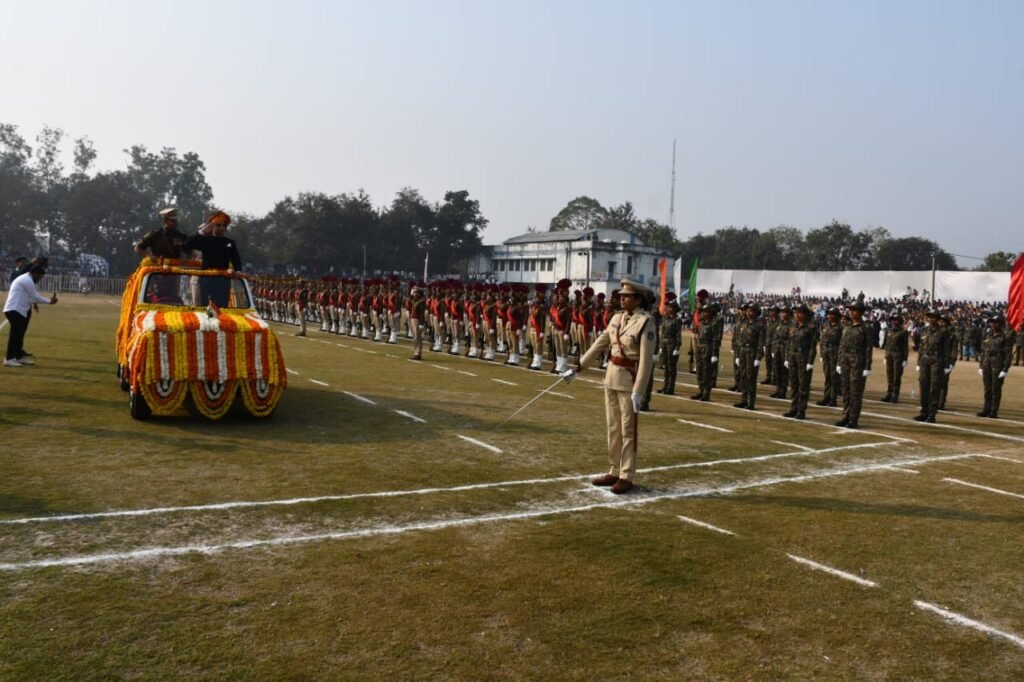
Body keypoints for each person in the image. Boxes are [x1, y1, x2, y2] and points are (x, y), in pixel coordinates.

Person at [562, 279, 656, 495]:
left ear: (638, 299)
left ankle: (626, 474)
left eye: (626, 296)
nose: (621, 298)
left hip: (629, 381)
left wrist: (638, 391)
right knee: (613, 427)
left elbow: (646, 360)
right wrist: (578, 367)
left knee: (628, 431)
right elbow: (600, 344)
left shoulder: (646, 322)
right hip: (611, 377)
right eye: (621, 295)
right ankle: (614, 469)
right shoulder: (616, 318)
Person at [182, 211, 242, 308]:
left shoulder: (229, 242)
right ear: (212, 225)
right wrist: (202, 231)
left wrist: (238, 271)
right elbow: (187, 244)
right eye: (219, 225)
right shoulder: (206, 240)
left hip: (223, 280)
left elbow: (236, 259)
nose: (222, 228)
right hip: (206, 279)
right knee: (203, 308)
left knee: (221, 309)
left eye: (225, 225)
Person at [4, 264, 58, 367]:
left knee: (19, 335)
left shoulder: (26, 279)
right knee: (15, 335)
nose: (40, 279)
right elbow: (35, 296)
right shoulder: (27, 280)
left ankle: (18, 357)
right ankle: (9, 359)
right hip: (15, 309)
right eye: (40, 277)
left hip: (18, 309)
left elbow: (30, 297)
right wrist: (49, 301)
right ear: (35, 273)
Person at [836, 301, 872, 429]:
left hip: (858, 360)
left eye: (854, 310)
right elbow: (841, 345)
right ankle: (845, 415)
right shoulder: (847, 326)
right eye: (850, 310)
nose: (851, 312)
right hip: (845, 360)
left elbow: (868, 348)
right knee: (845, 389)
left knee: (855, 391)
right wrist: (839, 362)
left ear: (861, 312)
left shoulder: (866, 327)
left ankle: (853, 419)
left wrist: (867, 366)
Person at [784, 303, 818, 419]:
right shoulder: (793, 326)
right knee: (793, 383)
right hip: (793, 356)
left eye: (800, 312)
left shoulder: (811, 327)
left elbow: (813, 346)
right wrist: (787, 358)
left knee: (803, 385)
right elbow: (789, 343)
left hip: (804, 357)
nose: (797, 315)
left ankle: (801, 410)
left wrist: (810, 361)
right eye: (796, 312)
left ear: (805, 314)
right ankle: (793, 408)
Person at [914, 310, 948, 423]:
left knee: (934, 387)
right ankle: (923, 412)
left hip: (936, 361)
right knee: (923, 386)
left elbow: (946, 350)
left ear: (937, 319)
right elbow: (921, 348)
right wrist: (918, 362)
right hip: (924, 360)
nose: (931, 319)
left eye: (933, 317)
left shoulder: (943, 332)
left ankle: (931, 414)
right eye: (929, 317)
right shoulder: (924, 331)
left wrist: (947, 365)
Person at [977, 314, 1013, 418]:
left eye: (996, 322)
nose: (993, 324)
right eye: (992, 322)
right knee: (987, 388)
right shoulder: (987, 335)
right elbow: (984, 351)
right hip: (986, 363)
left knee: (996, 389)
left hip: (998, 364)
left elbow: (1008, 354)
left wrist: (1005, 369)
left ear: (1001, 324)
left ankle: (994, 411)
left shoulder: (1005, 337)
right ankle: (986, 409)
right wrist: (980, 365)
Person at [880, 313, 909, 403]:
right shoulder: (889, 331)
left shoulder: (903, 332)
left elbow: (905, 346)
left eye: (896, 320)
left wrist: (905, 359)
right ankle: (889, 393)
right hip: (889, 355)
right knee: (890, 375)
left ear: (900, 322)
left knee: (896, 376)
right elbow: (887, 344)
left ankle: (895, 395)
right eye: (893, 320)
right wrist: (885, 356)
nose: (894, 321)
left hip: (898, 356)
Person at [656, 297, 682, 395]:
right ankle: (665, 386)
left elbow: (678, 334)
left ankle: (670, 388)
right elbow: (662, 333)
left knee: (671, 368)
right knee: (666, 366)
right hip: (665, 344)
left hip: (672, 344)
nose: (668, 309)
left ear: (675, 309)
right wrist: (661, 346)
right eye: (668, 307)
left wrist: (677, 347)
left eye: (671, 307)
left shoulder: (677, 320)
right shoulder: (665, 319)